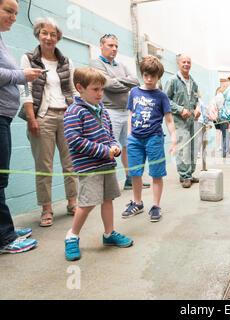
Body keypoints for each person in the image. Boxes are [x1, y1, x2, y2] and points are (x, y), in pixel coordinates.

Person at [63, 66, 133, 261]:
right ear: (80, 88)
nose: (100, 94)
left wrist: (114, 146)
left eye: (102, 89)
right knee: (86, 204)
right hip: (89, 167)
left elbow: (109, 135)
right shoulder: (74, 112)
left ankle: (109, 234)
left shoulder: (102, 110)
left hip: (106, 165)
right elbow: (75, 141)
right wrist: (104, 151)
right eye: (95, 89)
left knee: (108, 199)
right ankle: (72, 236)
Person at [20, 17, 78, 227]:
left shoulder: (66, 62)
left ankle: (73, 202)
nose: (49, 37)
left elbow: (72, 90)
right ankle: (46, 207)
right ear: (38, 34)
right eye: (45, 33)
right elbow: (25, 90)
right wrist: (31, 117)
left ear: (58, 38)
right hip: (42, 116)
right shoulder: (28, 58)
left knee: (70, 163)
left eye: (53, 34)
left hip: (67, 115)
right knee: (43, 165)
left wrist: (75, 115)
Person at [0, 0, 42, 254]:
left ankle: (6, 228)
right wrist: (22, 75)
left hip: (4, 116)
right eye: (9, 11)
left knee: (2, 178)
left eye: (16, 13)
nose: (14, 17)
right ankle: (5, 237)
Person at [90, 34, 149, 190]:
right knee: (110, 147)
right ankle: (107, 184)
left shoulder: (121, 65)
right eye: (110, 45)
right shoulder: (96, 63)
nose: (114, 48)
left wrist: (117, 82)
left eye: (116, 46)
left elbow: (135, 81)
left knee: (128, 147)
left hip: (126, 111)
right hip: (110, 111)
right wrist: (124, 83)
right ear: (101, 46)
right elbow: (108, 85)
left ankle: (131, 179)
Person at [122, 56, 177, 221]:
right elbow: (130, 114)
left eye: (153, 76)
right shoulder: (134, 92)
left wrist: (174, 139)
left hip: (154, 138)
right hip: (135, 139)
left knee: (156, 173)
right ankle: (137, 203)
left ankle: (156, 205)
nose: (149, 79)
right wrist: (129, 135)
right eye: (146, 75)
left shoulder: (161, 96)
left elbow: (168, 120)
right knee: (135, 173)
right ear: (142, 74)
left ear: (158, 76)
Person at [164, 54, 201, 188]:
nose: (186, 64)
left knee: (192, 147)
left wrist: (197, 108)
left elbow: (196, 100)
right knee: (183, 148)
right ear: (178, 64)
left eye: (188, 62)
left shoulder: (194, 83)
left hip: (192, 120)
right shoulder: (172, 80)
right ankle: (184, 176)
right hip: (178, 121)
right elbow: (165, 100)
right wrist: (180, 109)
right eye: (183, 62)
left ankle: (190, 174)